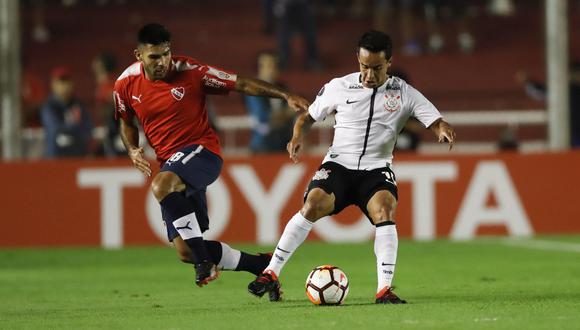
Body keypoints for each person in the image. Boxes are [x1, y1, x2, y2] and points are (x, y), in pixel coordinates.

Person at [248, 30, 455, 303]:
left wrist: (442, 128)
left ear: (389, 63)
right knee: (312, 204)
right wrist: (298, 135)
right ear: (358, 59)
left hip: (376, 168)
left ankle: (384, 290)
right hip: (339, 165)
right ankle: (270, 273)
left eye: (377, 68)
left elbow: (435, 119)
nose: (369, 75)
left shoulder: (404, 92)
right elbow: (306, 118)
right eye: (364, 67)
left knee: (384, 209)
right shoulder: (338, 86)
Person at [113, 23, 310, 293]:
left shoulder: (192, 72)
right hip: (171, 164)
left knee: (161, 186)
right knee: (185, 250)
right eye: (154, 57)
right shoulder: (125, 84)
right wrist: (132, 149)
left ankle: (204, 264)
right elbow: (126, 122)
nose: (162, 62)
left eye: (166, 54)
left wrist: (285, 93)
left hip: (202, 151)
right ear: (139, 55)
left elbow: (240, 82)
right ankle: (261, 265)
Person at [244, 51, 295, 153]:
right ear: (260, 68)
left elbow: (292, 114)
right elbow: (263, 116)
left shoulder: (283, 88)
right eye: (267, 66)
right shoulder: (252, 89)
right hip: (262, 144)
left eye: (274, 66)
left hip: (283, 140)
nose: (271, 70)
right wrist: (285, 114)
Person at [41, 66, 93, 158]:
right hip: (55, 158)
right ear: (53, 84)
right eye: (61, 82)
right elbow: (55, 130)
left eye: (67, 81)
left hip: (78, 157)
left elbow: (87, 129)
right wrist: (75, 129)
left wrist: (75, 134)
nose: (65, 86)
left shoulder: (79, 106)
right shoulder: (49, 107)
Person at [92, 52, 126, 157]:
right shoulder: (103, 84)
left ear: (101, 65)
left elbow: (118, 105)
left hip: (112, 131)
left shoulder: (109, 85)